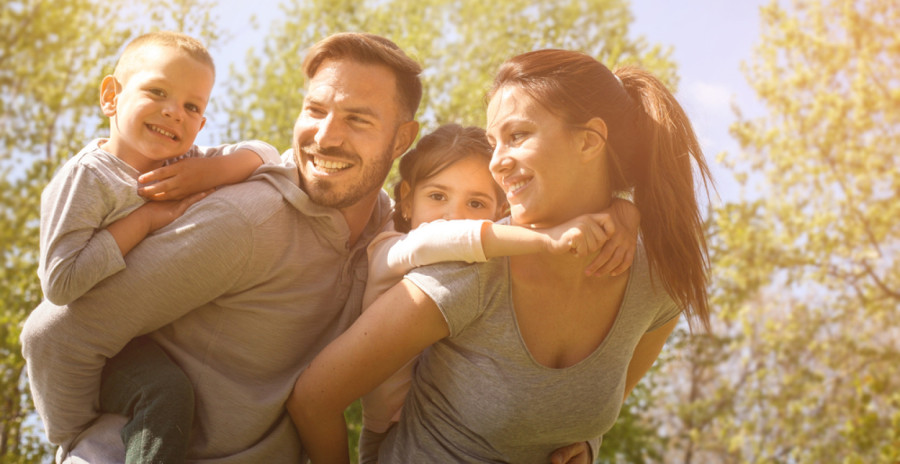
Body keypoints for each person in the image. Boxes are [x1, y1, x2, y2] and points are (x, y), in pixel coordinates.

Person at [288, 49, 714, 463]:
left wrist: (586, 447)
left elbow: (595, 408)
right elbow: (313, 401)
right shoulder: (472, 267)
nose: (497, 164)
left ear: (589, 141)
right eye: (494, 142)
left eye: (518, 136)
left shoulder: (657, 278)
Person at [21, 32, 423, 464]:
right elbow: (55, 336)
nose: (326, 137)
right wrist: (79, 441)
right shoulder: (248, 220)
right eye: (316, 110)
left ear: (402, 140)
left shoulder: (391, 231)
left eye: (358, 119)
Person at [36, 30, 281, 464]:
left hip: (142, 336)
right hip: (93, 355)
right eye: (157, 92)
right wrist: (145, 219)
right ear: (111, 96)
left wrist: (214, 171)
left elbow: (266, 154)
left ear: (201, 124)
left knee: (183, 395)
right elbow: (61, 282)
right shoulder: (88, 178)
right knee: (165, 393)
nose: (174, 112)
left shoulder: (182, 165)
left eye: (192, 107)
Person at [350, 123, 639, 463]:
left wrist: (625, 212)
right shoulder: (391, 249)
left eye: (475, 203)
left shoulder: (486, 272)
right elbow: (443, 239)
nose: (453, 215)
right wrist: (548, 239)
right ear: (407, 201)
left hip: (471, 422)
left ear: (501, 214)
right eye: (437, 196)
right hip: (392, 431)